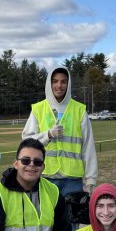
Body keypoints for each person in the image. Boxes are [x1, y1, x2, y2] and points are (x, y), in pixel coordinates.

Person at [22, 67, 97, 197]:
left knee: (71, 217)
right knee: (46, 217)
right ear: (49, 84)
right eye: (55, 81)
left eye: (63, 81)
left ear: (68, 84)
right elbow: (26, 142)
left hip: (72, 179)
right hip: (45, 176)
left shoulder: (79, 110)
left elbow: (88, 146)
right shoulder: (38, 109)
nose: (59, 85)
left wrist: (90, 178)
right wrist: (48, 135)